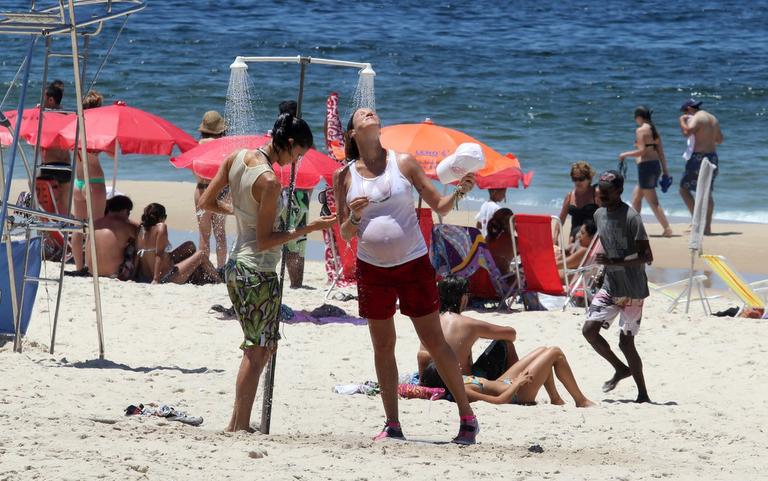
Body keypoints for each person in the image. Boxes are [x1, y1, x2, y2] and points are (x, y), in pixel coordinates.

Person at [334, 107, 479, 444]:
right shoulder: (344, 176)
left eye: (372, 112)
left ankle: (467, 416)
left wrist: (460, 190)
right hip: (372, 269)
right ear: (352, 133)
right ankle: (392, 424)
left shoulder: (404, 162)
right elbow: (344, 233)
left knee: (434, 341)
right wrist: (354, 218)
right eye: (362, 115)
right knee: (383, 345)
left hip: (413, 263)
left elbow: (439, 206)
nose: (370, 114)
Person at [198, 113, 336, 432]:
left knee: (258, 347)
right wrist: (307, 228)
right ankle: (240, 426)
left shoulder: (236, 158)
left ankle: (236, 422)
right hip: (256, 271)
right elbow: (264, 242)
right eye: (296, 155)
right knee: (256, 350)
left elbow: (206, 201)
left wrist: (238, 211)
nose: (293, 164)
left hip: (236, 267)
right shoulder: (270, 181)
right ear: (288, 144)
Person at [419, 276, 594, 407]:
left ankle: (556, 398)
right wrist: (517, 383)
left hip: (499, 384)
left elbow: (422, 358)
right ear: (462, 298)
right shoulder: (468, 325)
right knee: (554, 352)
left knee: (543, 350)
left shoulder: (429, 325)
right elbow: (511, 334)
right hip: (514, 391)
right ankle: (581, 400)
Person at [582, 170, 652, 403]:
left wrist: (616, 262)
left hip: (633, 291)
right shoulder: (599, 214)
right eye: (600, 191)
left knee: (626, 342)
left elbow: (647, 255)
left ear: (619, 191)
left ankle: (642, 393)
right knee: (589, 331)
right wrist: (605, 269)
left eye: (607, 192)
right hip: (611, 286)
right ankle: (621, 369)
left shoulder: (632, 218)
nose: (602, 195)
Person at [618, 106, 673, 237]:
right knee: (636, 198)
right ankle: (634, 228)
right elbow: (661, 152)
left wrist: (625, 154)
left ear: (639, 117)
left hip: (646, 168)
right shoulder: (654, 130)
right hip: (655, 166)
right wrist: (665, 171)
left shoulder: (641, 130)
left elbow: (642, 151)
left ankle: (667, 228)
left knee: (653, 202)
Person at [134, 203, 221, 284]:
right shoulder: (161, 228)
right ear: (161, 218)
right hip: (166, 277)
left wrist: (133, 275)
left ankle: (199, 275)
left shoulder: (140, 230)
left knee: (190, 245)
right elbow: (158, 255)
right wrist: (156, 279)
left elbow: (139, 256)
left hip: (149, 275)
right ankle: (219, 281)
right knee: (201, 255)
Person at [71, 90, 107, 272]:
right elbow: (106, 151)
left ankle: (79, 267)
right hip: (94, 181)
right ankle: (91, 268)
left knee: (78, 227)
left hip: (78, 183)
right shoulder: (97, 130)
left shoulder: (76, 128)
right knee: (96, 227)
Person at [277, 100, 312, 289]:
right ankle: (297, 282)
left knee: (279, 233)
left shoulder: (274, 136)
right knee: (298, 238)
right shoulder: (301, 137)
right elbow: (311, 170)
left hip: (277, 190)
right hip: (299, 192)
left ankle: (285, 278)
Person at [678, 99, 723, 235]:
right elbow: (720, 140)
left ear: (690, 109)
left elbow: (686, 132)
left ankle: (697, 221)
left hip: (698, 157)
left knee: (683, 189)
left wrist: (681, 120)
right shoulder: (713, 118)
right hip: (712, 157)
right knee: (706, 192)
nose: (686, 115)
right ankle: (707, 227)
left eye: (686, 112)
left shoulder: (697, 118)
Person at [194, 111, 228, 269]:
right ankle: (221, 269)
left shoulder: (199, 144)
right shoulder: (225, 145)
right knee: (220, 234)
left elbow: (194, 168)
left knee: (204, 235)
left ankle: (204, 269)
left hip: (202, 189)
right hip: (222, 192)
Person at [84, 195, 139, 280]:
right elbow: (143, 237)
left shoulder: (95, 223)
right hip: (116, 274)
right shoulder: (126, 226)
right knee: (136, 244)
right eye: (128, 212)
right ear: (125, 211)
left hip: (92, 272)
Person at [38, 80, 71, 214]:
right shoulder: (67, 116)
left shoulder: (44, 117)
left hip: (50, 166)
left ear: (51, 100)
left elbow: (38, 142)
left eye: (43, 97)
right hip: (66, 165)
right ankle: (64, 230)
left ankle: (49, 232)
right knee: (64, 202)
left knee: (47, 204)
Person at [558, 161, 598, 244]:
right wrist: (555, 238)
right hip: (573, 237)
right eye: (574, 179)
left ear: (589, 178)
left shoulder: (596, 194)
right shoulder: (569, 196)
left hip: (591, 238)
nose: (577, 182)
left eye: (581, 179)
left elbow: (606, 216)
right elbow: (561, 220)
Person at [485, 207, 515, 275]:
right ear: (510, 223)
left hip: (489, 277)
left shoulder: (488, 237)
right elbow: (531, 251)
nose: (515, 224)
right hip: (503, 280)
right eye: (514, 221)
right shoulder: (513, 241)